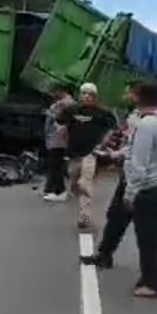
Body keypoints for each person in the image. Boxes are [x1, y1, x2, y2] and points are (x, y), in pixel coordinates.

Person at [81, 82, 141, 269]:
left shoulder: (148, 120)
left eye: (128, 92)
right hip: (129, 173)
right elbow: (124, 139)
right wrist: (109, 150)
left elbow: (136, 149)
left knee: (149, 225)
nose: (125, 96)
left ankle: (153, 272)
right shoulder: (134, 114)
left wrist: (113, 154)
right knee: (116, 216)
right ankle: (104, 254)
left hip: (144, 178)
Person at [121, 81, 157, 299]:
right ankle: (156, 277)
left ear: (139, 97)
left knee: (147, 239)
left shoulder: (146, 125)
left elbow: (139, 164)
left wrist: (130, 193)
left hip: (147, 188)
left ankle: (152, 283)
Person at [56, 82, 116, 231]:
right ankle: (78, 195)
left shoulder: (102, 112)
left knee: (85, 184)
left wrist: (103, 143)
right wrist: (61, 132)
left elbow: (112, 128)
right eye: (84, 93)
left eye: (90, 94)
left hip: (91, 152)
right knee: (75, 183)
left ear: (95, 96)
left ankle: (84, 217)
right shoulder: (72, 110)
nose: (87, 97)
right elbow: (59, 122)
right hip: (73, 152)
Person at [42, 88, 73, 201]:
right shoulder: (59, 107)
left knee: (56, 166)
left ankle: (59, 190)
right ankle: (51, 188)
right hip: (57, 141)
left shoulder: (63, 108)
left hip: (59, 141)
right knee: (55, 166)